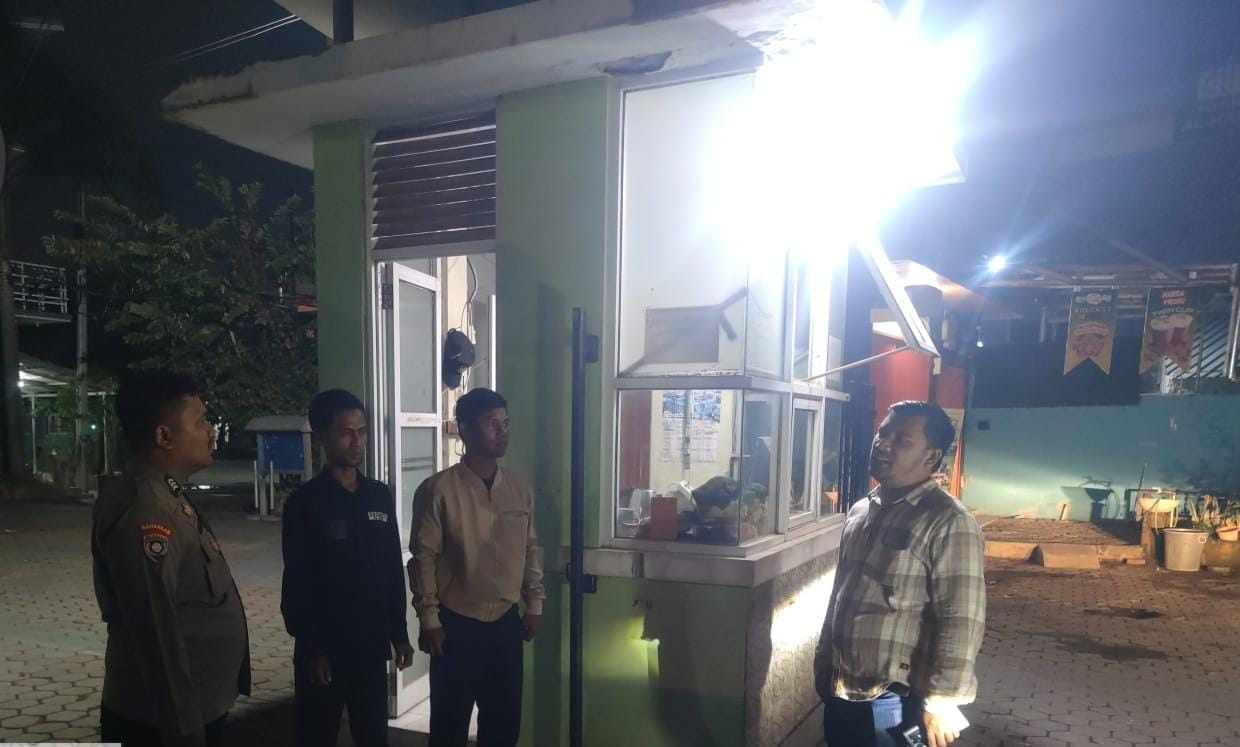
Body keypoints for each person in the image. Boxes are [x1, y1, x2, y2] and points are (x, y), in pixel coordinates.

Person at [91, 371, 250, 747]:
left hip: (197, 706)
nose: (211, 431)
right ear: (164, 436)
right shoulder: (147, 512)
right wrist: (182, 725)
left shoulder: (166, 492)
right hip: (162, 724)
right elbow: (155, 631)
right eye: (201, 422)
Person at [815, 400, 985, 747]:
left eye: (902, 440)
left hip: (895, 698)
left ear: (930, 457)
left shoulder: (948, 521)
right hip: (843, 685)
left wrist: (942, 700)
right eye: (883, 433)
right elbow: (840, 593)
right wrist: (823, 659)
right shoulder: (861, 510)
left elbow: (961, 617)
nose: (883, 444)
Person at [409, 388, 545, 747]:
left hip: (505, 625)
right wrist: (429, 620)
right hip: (457, 626)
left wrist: (534, 603)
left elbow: (530, 548)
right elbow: (423, 558)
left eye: (506, 424)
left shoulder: (518, 487)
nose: (502, 433)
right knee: (449, 727)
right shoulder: (438, 490)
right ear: (465, 430)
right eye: (491, 424)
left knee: (503, 726)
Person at [281, 389, 415, 746]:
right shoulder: (305, 503)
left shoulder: (378, 495)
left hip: (370, 646)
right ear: (321, 436)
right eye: (346, 433)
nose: (358, 442)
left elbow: (391, 568)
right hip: (325, 649)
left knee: (373, 735)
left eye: (362, 431)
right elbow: (298, 582)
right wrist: (312, 648)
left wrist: (399, 633)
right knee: (317, 735)